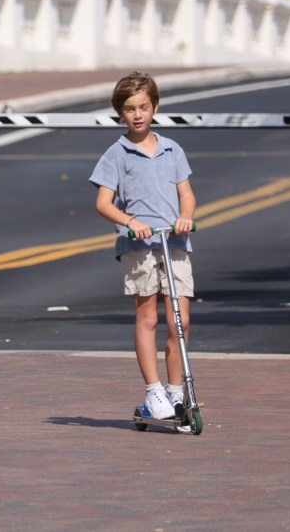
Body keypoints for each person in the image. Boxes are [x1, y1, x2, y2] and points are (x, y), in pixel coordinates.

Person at [89, 72, 196, 425]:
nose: (137, 114)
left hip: (174, 242)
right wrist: (130, 221)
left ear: (155, 108)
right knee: (148, 316)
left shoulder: (172, 148)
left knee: (179, 321)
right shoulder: (116, 154)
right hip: (139, 247)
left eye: (144, 107)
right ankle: (154, 391)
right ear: (120, 112)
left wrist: (185, 216)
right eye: (130, 108)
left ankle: (177, 393)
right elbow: (103, 203)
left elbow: (186, 193)